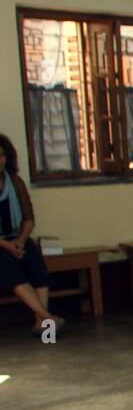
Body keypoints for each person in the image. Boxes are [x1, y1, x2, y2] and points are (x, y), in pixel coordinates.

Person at [0, 134, 64, 335]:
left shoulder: (15, 182)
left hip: (17, 238)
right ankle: (47, 317)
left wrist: (20, 240)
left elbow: (29, 217)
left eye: (1, 155)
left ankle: (40, 321)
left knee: (34, 259)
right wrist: (7, 245)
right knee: (8, 265)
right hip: (0, 245)